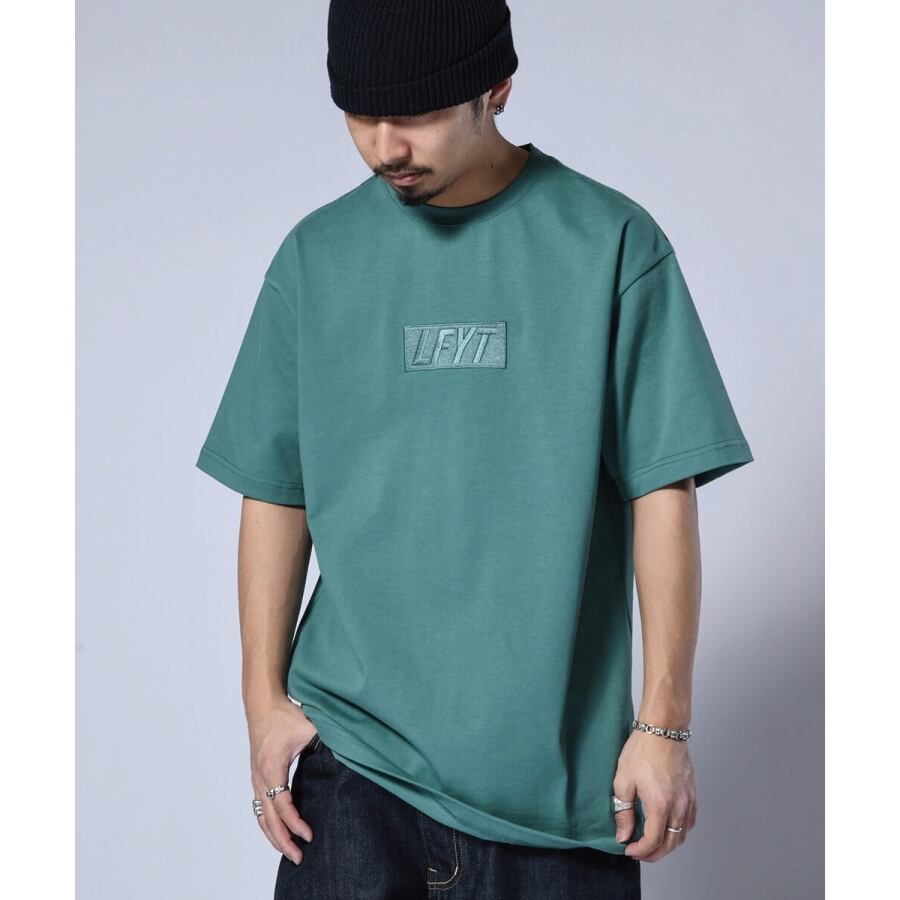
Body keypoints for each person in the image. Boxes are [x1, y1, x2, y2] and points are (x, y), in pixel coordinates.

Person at [194, 1, 754, 897]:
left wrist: (664, 726)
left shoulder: (610, 244)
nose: (385, 147)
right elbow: (274, 488)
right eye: (360, 115)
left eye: (415, 116)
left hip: (557, 795)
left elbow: (663, 491)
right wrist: (262, 702)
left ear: (497, 88)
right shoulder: (316, 259)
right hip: (353, 775)